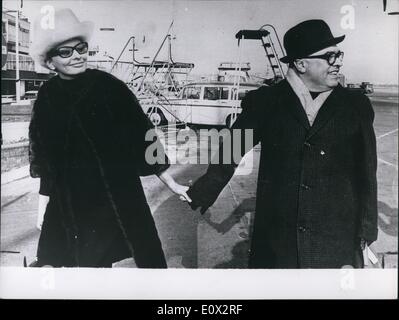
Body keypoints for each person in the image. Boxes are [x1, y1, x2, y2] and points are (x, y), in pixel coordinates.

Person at [186, 19, 378, 268]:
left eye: (339, 54)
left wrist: (367, 229)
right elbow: (234, 147)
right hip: (279, 239)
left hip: (335, 238)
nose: (338, 61)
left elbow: (367, 171)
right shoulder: (266, 102)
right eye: (330, 56)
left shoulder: (355, 105)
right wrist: (202, 191)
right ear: (300, 64)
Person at [28, 8, 191, 268]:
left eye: (81, 48)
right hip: (70, 201)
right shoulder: (46, 97)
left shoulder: (109, 86)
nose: (77, 56)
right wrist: (43, 205)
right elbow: (47, 158)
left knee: (128, 262)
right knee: (74, 268)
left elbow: (144, 136)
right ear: (50, 62)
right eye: (66, 52)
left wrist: (172, 183)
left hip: (115, 197)